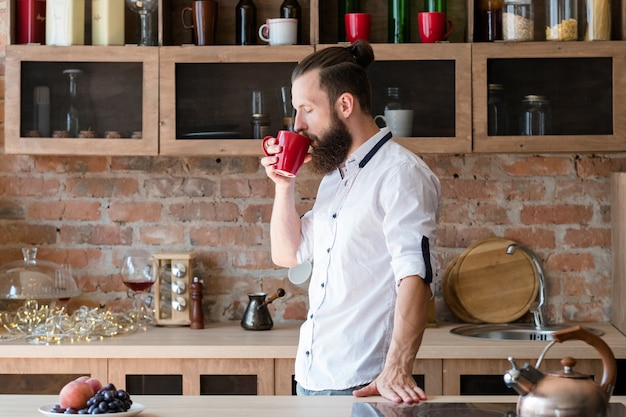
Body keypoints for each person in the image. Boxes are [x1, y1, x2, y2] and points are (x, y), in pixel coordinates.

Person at [260, 40, 441, 404]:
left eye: (307, 109)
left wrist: (398, 368)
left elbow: (416, 275)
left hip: (365, 384)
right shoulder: (336, 177)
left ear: (345, 105)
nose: (298, 124)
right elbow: (287, 254)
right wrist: (284, 184)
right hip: (313, 379)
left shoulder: (399, 174)